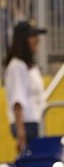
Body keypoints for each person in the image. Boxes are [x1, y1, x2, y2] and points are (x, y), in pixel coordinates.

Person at [4, 20, 46, 153]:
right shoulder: (18, 66)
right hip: (26, 123)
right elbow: (17, 100)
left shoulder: (29, 66)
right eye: (32, 36)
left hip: (34, 122)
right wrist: (21, 133)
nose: (37, 40)